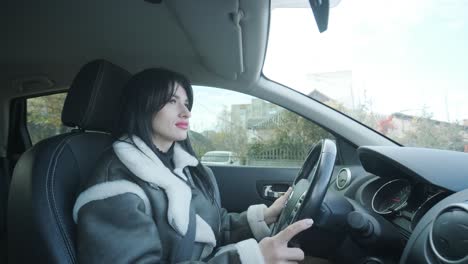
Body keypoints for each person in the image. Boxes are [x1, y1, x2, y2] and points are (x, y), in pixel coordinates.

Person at [72, 68, 313, 263]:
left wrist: (265, 217)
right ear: (142, 104)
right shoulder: (113, 190)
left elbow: (212, 227)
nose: (186, 112)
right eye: (171, 101)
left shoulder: (183, 167)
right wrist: (249, 259)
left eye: (187, 103)